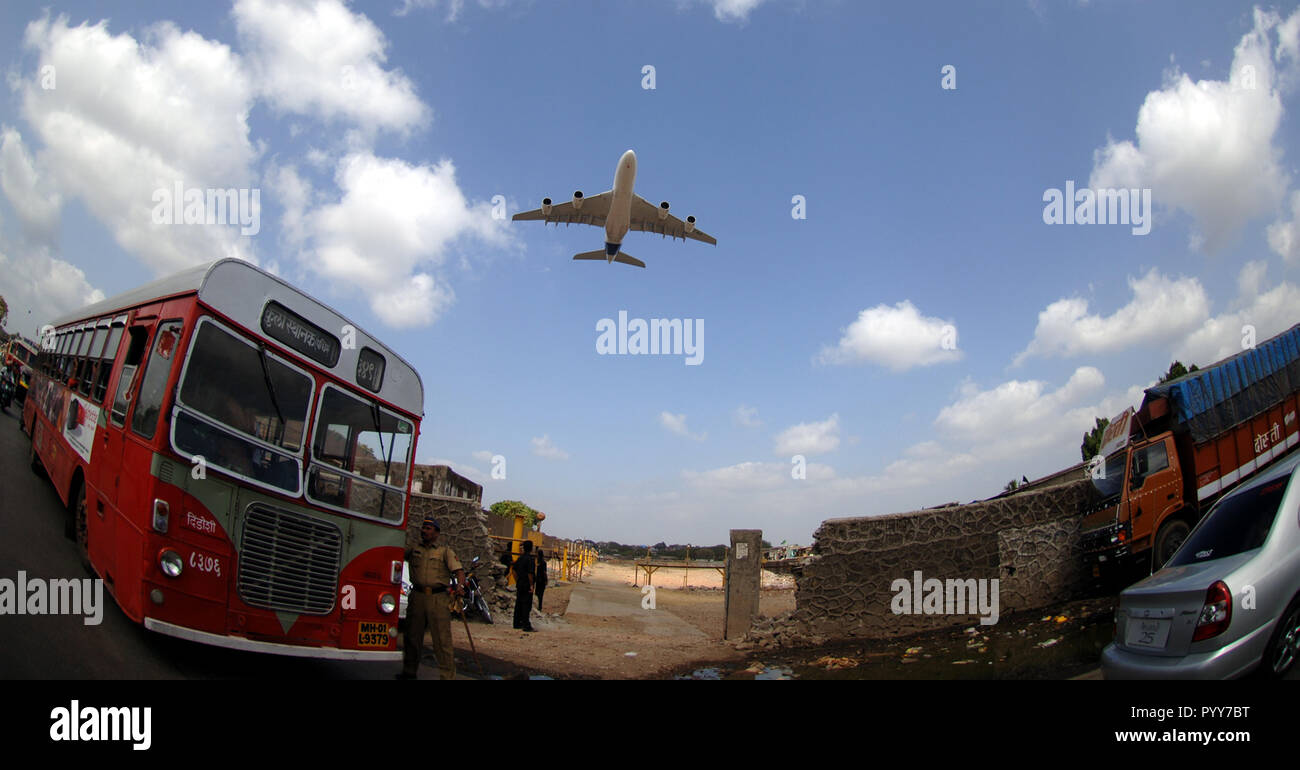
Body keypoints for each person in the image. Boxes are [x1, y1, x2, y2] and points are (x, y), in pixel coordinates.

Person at [398, 517, 465, 679]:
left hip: (438, 598)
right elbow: (396, 556)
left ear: (436, 533)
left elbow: (459, 571)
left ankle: (447, 676)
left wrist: (460, 586)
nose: (424, 531)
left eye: (429, 528)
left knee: (442, 640)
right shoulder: (414, 549)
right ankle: (409, 672)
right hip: (417, 596)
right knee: (412, 637)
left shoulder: (444, 552)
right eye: (423, 528)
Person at [512, 540, 536, 632]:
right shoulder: (530, 559)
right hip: (526, 585)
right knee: (526, 605)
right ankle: (526, 625)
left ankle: (516, 623)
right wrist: (531, 585)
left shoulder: (520, 558)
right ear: (531, 548)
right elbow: (530, 573)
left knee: (518, 604)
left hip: (520, 584)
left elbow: (513, 570)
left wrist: (517, 580)